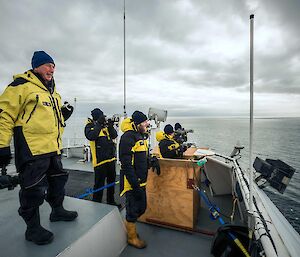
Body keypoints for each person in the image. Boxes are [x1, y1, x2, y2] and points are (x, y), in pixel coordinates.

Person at [0, 51, 78, 245]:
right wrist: (1, 145)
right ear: (36, 66)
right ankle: (32, 229)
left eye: (53, 65)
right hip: (32, 149)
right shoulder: (20, 86)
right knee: (32, 189)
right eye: (48, 64)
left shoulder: (53, 93)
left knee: (58, 180)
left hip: (53, 148)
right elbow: (5, 115)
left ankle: (57, 211)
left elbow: (49, 120)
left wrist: (63, 115)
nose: (52, 68)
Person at [119, 111, 150, 249]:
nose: (147, 124)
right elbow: (126, 164)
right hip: (133, 183)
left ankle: (130, 230)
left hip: (141, 182)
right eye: (144, 122)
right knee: (132, 212)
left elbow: (141, 157)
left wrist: (151, 161)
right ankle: (132, 238)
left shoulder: (139, 136)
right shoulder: (127, 138)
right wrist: (135, 185)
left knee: (141, 208)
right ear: (137, 124)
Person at [84, 108, 119, 206]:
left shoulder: (105, 127)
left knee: (111, 183)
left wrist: (110, 126)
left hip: (110, 159)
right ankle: (97, 203)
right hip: (100, 162)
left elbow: (114, 136)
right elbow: (91, 136)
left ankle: (110, 201)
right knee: (99, 185)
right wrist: (99, 124)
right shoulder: (90, 126)